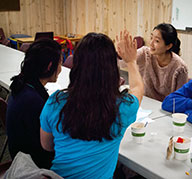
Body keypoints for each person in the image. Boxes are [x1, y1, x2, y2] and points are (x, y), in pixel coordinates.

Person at [40, 31, 144, 178]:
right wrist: (131, 61)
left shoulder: (55, 102)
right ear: (113, 69)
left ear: (76, 66)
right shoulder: (123, 108)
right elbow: (138, 88)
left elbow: (47, 146)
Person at [6, 39, 62, 169]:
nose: (60, 68)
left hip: (21, 159)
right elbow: (48, 147)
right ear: (49, 66)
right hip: (35, 168)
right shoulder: (33, 101)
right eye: (60, 63)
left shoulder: (23, 85)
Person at [119, 23, 188, 101]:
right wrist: (123, 54)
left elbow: (180, 99)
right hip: (145, 103)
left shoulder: (180, 68)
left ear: (168, 46)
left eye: (157, 41)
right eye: (151, 37)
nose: (151, 43)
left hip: (166, 108)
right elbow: (122, 64)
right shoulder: (145, 53)